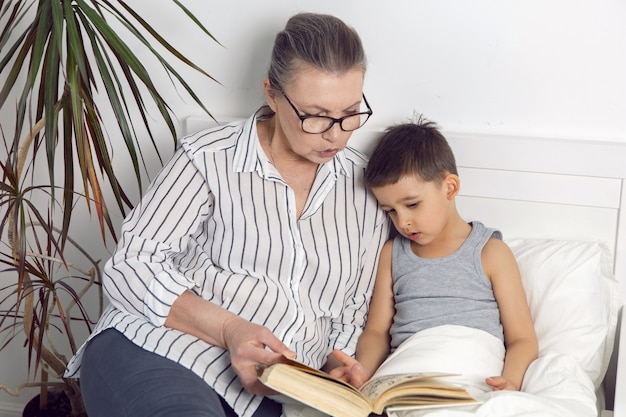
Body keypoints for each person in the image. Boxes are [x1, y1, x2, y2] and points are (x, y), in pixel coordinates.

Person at [64, 12, 389, 417]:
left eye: (351, 111)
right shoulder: (207, 159)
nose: (336, 133)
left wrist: (332, 373)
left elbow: (352, 310)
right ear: (272, 94)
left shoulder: (368, 189)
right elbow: (130, 266)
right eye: (315, 115)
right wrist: (230, 329)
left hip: (273, 394)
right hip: (165, 351)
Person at [330, 119, 538, 393]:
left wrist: (510, 383)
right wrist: (362, 371)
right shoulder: (392, 253)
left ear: (449, 188)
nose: (402, 222)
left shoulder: (491, 252)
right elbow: (377, 332)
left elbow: (522, 338)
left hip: (468, 373)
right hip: (406, 375)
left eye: (412, 204)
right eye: (390, 210)